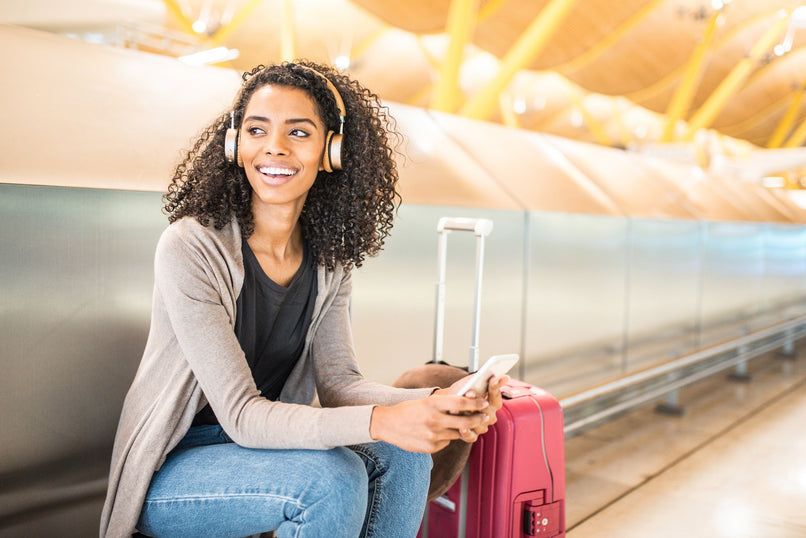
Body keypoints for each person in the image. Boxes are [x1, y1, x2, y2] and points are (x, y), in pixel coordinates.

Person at [99, 60, 507, 538]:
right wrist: (384, 420)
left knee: (405, 454)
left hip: (264, 454)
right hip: (175, 470)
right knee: (329, 480)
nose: (274, 147)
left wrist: (439, 401)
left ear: (330, 150)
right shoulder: (192, 246)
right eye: (256, 129)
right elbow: (243, 416)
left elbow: (339, 385)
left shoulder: (329, 259)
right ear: (235, 143)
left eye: (298, 132)